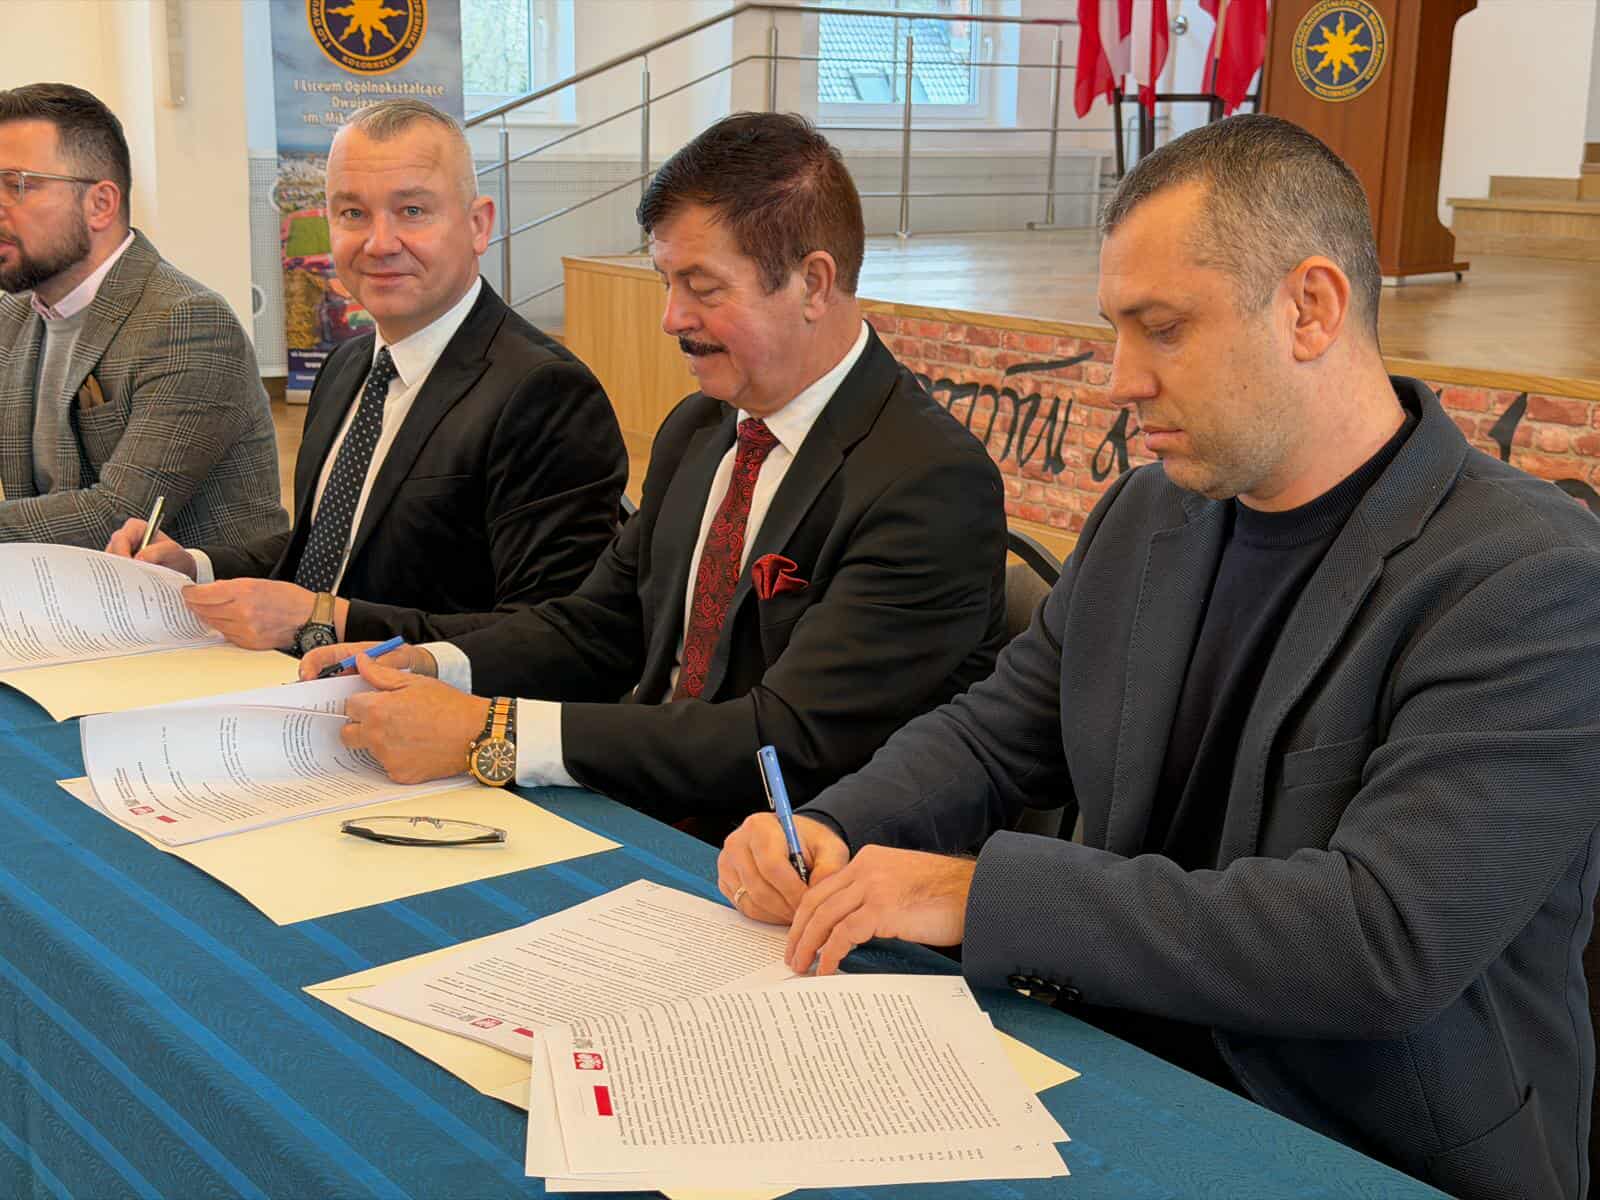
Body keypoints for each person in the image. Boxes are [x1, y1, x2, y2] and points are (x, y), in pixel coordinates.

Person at [720, 114, 1600, 1200]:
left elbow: (1380, 940)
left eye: (1163, 329)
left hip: (1357, 1144)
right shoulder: (1147, 515)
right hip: (1108, 1069)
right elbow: (995, 735)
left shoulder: (1531, 580)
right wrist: (837, 826)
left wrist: (977, 895)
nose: (1118, 379)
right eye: (1114, 331)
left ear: (1311, 309)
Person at [301, 112, 1007, 838]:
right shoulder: (701, 428)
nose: (671, 318)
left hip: (790, 861)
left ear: (814, 284)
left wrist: (492, 730)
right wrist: (429, 665)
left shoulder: (930, 483)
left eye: (703, 287)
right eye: (667, 282)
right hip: (639, 811)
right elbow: (598, 627)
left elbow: (786, 741)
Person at [106, 99, 625, 657]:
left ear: (478, 225)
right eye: (353, 213)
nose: (379, 243)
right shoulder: (347, 367)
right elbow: (333, 545)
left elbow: (553, 639)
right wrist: (195, 566)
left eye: (412, 211)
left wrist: (326, 620)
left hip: (415, 702)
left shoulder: (544, 393)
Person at [0, 83, 285, 549]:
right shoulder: (13, 316)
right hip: (54, 580)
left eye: (16, 185)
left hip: (188, 591)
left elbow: (116, 517)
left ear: (100, 204)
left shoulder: (188, 323)